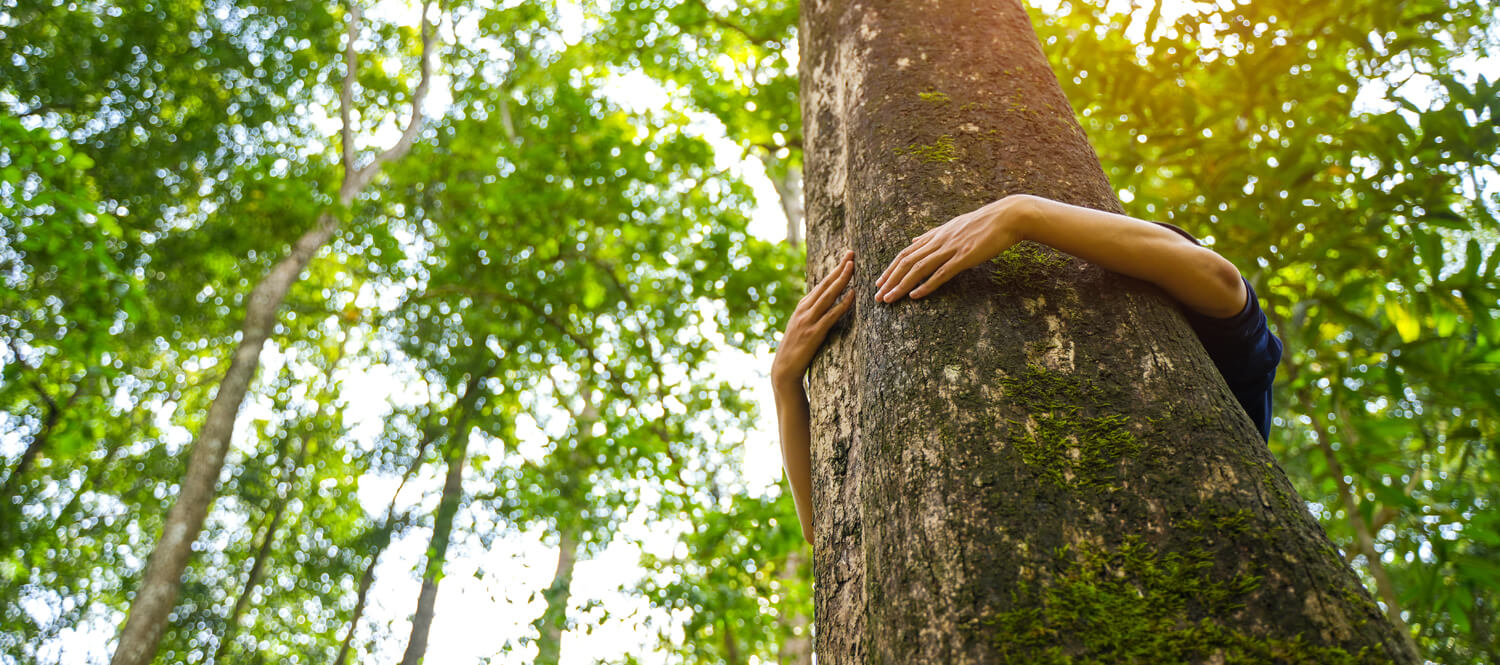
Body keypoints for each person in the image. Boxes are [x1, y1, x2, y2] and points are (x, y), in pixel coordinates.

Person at [770, 193, 1284, 544]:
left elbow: (1218, 278)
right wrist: (785, 383)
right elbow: (826, 527)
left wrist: (1023, 213)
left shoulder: (1232, 376)